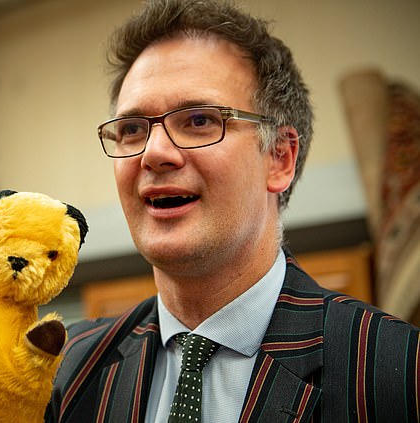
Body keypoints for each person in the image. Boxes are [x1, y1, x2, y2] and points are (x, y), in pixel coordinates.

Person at [45, 1, 420, 422]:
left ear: (279, 157)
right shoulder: (66, 372)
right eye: (132, 129)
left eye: (200, 120)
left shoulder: (396, 370)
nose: (154, 153)